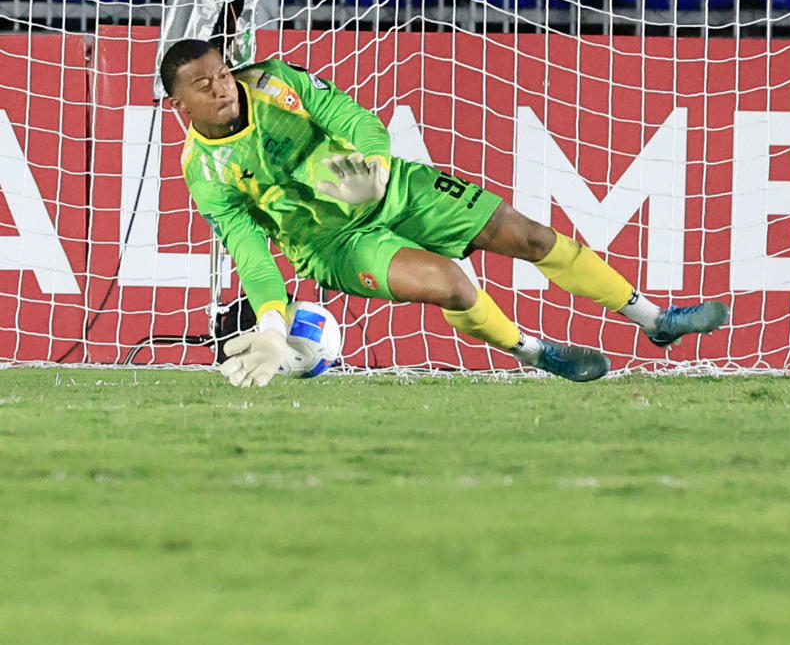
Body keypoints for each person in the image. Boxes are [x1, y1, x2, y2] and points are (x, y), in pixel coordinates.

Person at [162, 38, 728, 387]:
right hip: (335, 244)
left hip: (391, 187)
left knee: (529, 237)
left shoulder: (273, 81)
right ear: (178, 103)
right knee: (452, 285)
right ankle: (535, 352)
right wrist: (268, 321)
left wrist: (374, 166)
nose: (222, 88)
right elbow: (251, 254)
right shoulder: (205, 173)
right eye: (203, 84)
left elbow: (354, 118)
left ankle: (655, 320)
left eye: (222, 72)